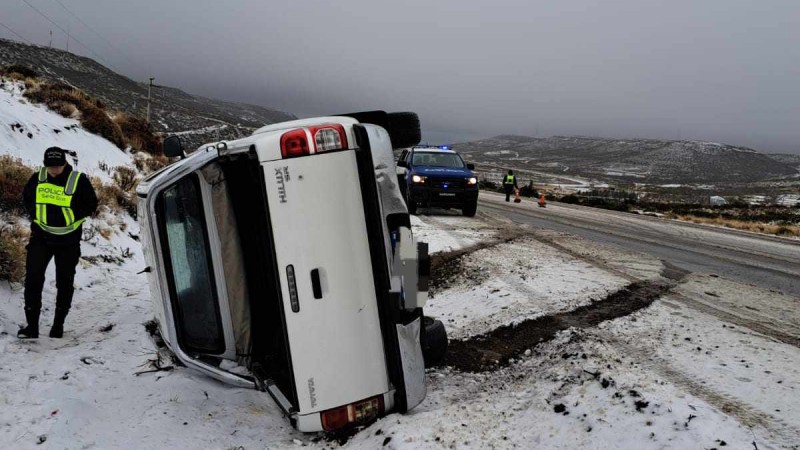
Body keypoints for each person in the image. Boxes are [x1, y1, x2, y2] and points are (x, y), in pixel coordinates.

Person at [18, 147, 98, 339]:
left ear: (64, 163)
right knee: (33, 280)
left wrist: (71, 215)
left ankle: (58, 325)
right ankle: (32, 327)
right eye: (50, 166)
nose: (53, 170)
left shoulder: (79, 180)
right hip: (41, 237)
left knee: (64, 282)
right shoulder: (37, 178)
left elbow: (91, 204)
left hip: (68, 240)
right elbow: (27, 197)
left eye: (57, 166)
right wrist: (35, 215)